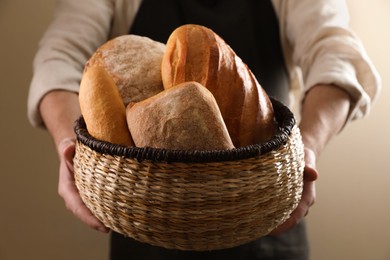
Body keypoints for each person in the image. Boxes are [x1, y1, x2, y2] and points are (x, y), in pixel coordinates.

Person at [28, 0, 380, 259]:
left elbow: (338, 57)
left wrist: (308, 148)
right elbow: (57, 59)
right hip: (144, 218)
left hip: (264, 216)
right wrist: (68, 145)